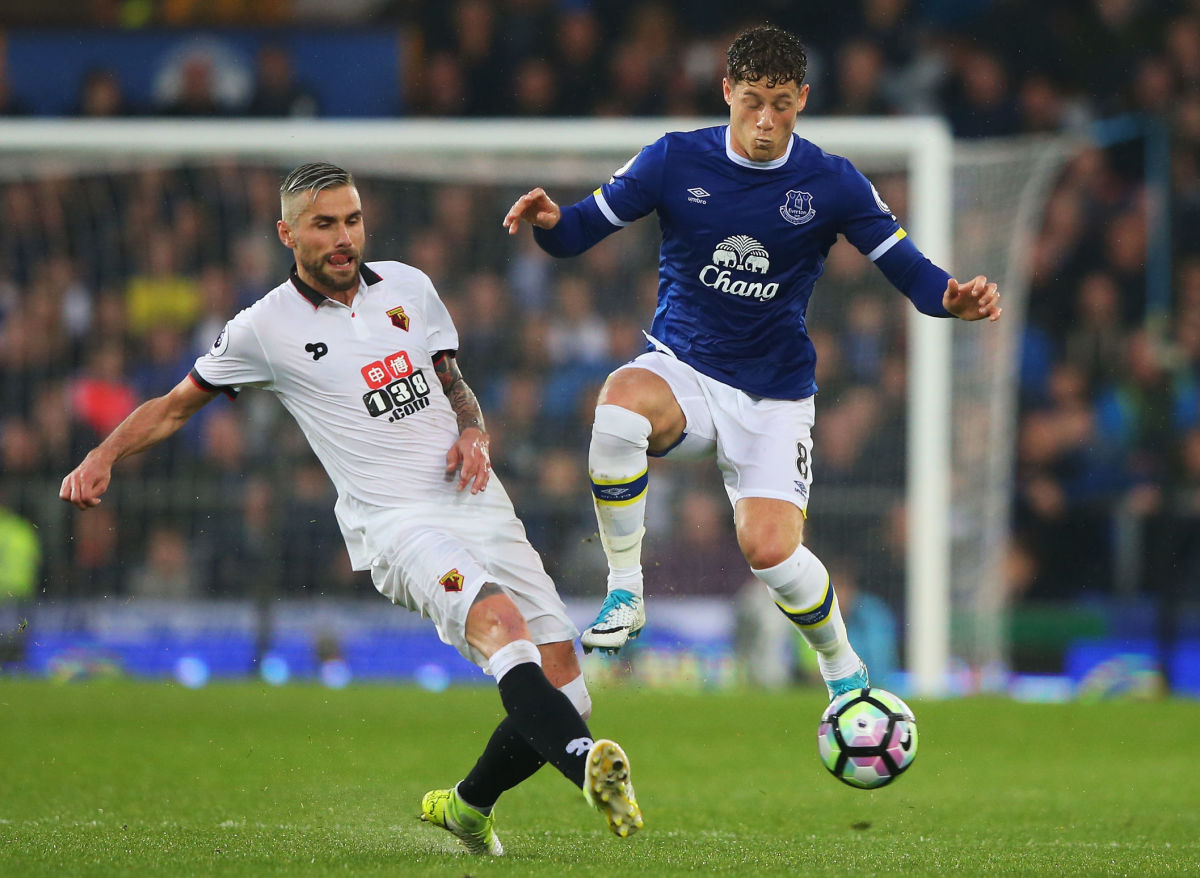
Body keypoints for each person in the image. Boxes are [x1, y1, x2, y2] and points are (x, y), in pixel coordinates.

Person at [61, 162, 641, 855]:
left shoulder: (410, 287)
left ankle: (467, 805)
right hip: (396, 523)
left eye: (353, 220)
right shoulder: (262, 328)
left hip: (479, 501)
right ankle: (588, 769)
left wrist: (474, 432)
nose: (344, 237)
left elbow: (453, 383)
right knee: (501, 623)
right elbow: (175, 405)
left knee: (566, 695)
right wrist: (103, 456)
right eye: (324, 223)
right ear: (287, 233)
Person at [503, 23, 1002, 701]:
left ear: (802, 98)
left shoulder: (832, 183)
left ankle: (844, 672)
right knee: (619, 404)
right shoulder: (674, 160)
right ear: (727, 92)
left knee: (769, 550)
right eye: (751, 103)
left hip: (773, 396)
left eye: (781, 104)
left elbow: (908, 270)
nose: (765, 121)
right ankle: (625, 591)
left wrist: (951, 298)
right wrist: (551, 221)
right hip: (686, 371)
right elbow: (581, 232)